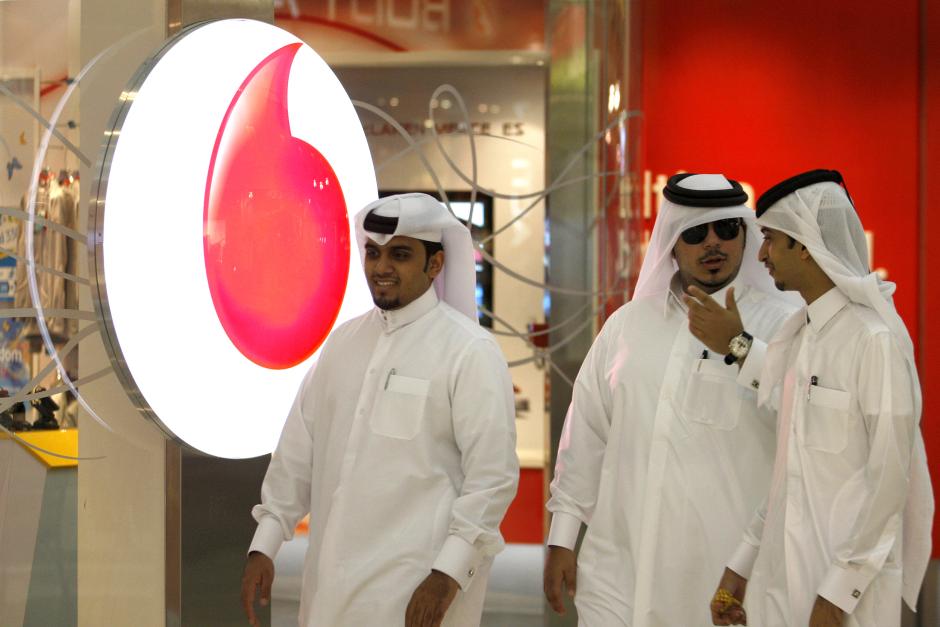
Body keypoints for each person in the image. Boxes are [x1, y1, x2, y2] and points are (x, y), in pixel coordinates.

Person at [240, 193, 519, 627]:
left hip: (416, 592)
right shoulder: (342, 344)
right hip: (330, 589)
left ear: (436, 264)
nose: (381, 267)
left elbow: (492, 478)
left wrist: (447, 574)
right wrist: (265, 543)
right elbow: (298, 453)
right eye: (373, 252)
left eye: (400, 254)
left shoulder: (469, 352)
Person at [544, 173, 798, 626]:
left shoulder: (785, 325)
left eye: (726, 229)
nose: (713, 244)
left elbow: (803, 420)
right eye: (696, 233)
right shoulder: (626, 326)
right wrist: (563, 535)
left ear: (745, 235)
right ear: (672, 244)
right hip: (619, 573)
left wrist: (739, 347)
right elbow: (586, 433)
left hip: (724, 578)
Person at [695, 169, 933, 627]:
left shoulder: (873, 341)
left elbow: (889, 483)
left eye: (771, 239)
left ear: (804, 243)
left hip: (846, 598)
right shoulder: (799, 338)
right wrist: (740, 565)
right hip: (782, 582)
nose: (761, 254)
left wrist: (839, 593)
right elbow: (789, 474)